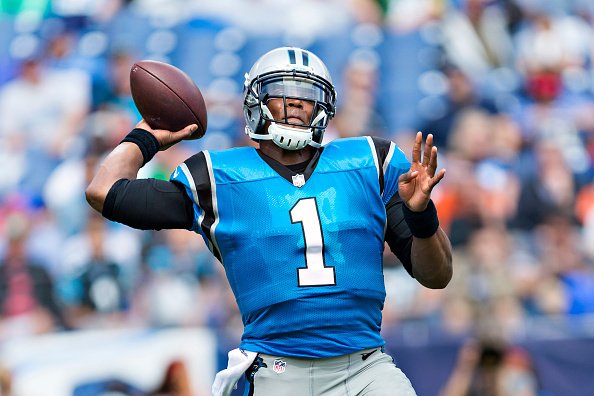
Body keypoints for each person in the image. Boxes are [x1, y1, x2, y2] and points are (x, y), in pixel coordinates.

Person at [86, 47, 453, 395]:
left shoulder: (371, 161)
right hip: (279, 370)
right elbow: (105, 192)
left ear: (323, 106)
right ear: (254, 103)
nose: (295, 102)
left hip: (365, 368)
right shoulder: (216, 177)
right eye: (281, 92)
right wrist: (146, 138)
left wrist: (421, 215)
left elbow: (437, 276)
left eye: (306, 94)